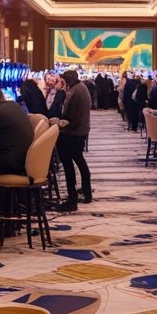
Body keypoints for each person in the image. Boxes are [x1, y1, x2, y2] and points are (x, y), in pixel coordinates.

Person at [56, 69, 92, 211]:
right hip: (79, 131)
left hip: (74, 133)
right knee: (79, 161)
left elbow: (72, 117)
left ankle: (73, 199)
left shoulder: (75, 92)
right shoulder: (80, 88)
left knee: (70, 163)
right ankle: (84, 192)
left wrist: (61, 124)